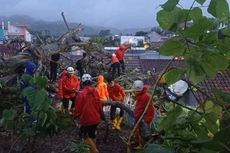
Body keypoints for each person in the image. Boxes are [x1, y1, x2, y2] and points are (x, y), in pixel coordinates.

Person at [73, 74, 104, 153]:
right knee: (92, 134)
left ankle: (94, 151)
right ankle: (92, 150)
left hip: (86, 119)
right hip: (96, 118)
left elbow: (78, 108)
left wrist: (75, 116)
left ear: (82, 83)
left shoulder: (81, 94)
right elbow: (99, 105)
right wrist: (102, 116)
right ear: (91, 82)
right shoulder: (95, 92)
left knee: (83, 134)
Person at [133, 80, 155, 149]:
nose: (136, 92)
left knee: (142, 130)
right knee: (137, 128)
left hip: (147, 116)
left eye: (137, 91)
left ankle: (142, 145)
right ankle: (136, 141)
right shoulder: (141, 94)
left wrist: (136, 118)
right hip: (144, 115)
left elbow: (140, 109)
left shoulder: (144, 97)